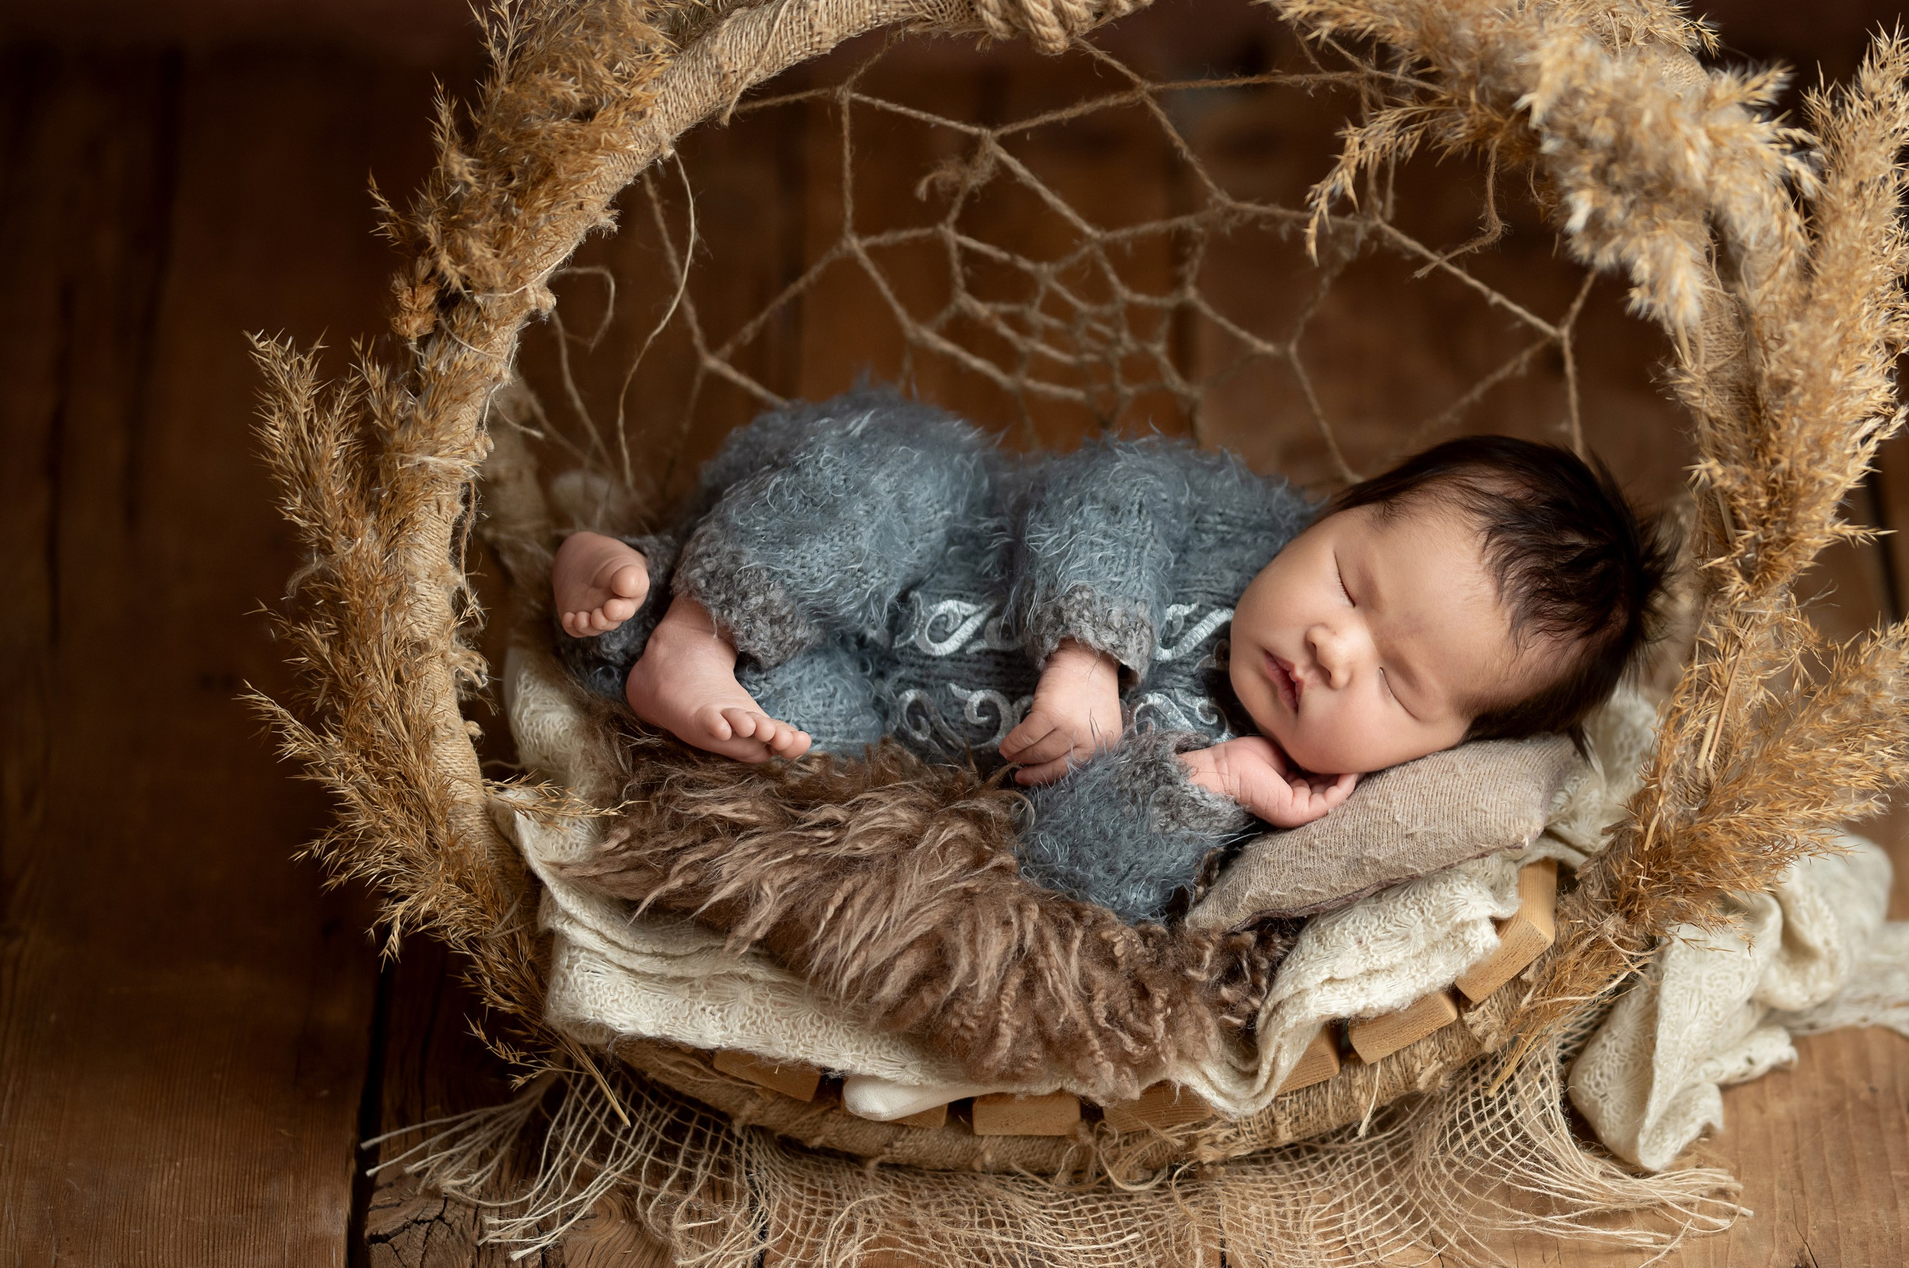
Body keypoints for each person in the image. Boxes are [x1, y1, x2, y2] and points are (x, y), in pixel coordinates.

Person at [552, 387, 1669, 920]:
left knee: (800, 744)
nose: (1333, 648)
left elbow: (1076, 872)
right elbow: (1119, 480)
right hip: (920, 525)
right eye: (1350, 584)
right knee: (902, 469)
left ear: (1448, 743)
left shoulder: (1259, 780)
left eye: (1394, 683)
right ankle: (708, 614)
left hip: (885, 705)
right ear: (1334, 512)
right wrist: (1090, 651)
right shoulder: (1245, 527)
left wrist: (1205, 786)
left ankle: (640, 612)